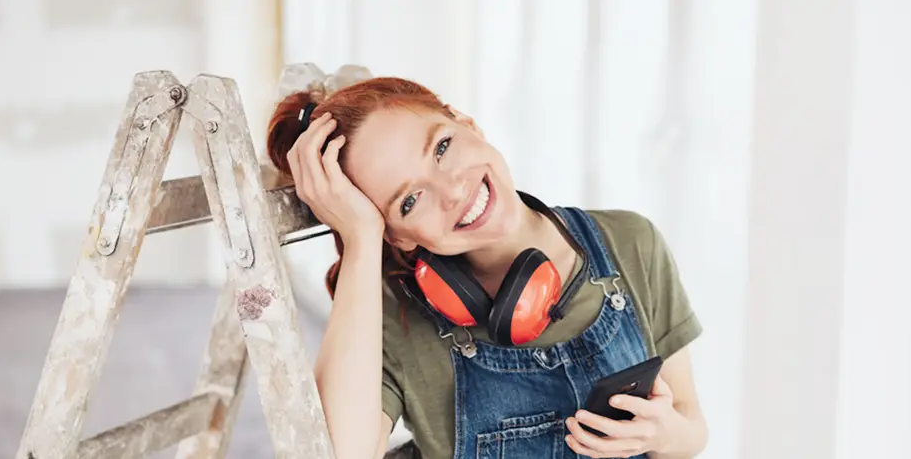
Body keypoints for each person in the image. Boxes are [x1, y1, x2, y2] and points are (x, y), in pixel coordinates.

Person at [269, 77, 707, 459]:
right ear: (396, 235)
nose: (452, 190)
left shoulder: (631, 242)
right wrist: (362, 240)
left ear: (466, 122)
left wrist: (663, 433)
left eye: (442, 147)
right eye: (409, 200)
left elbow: (691, 430)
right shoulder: (392, 319)